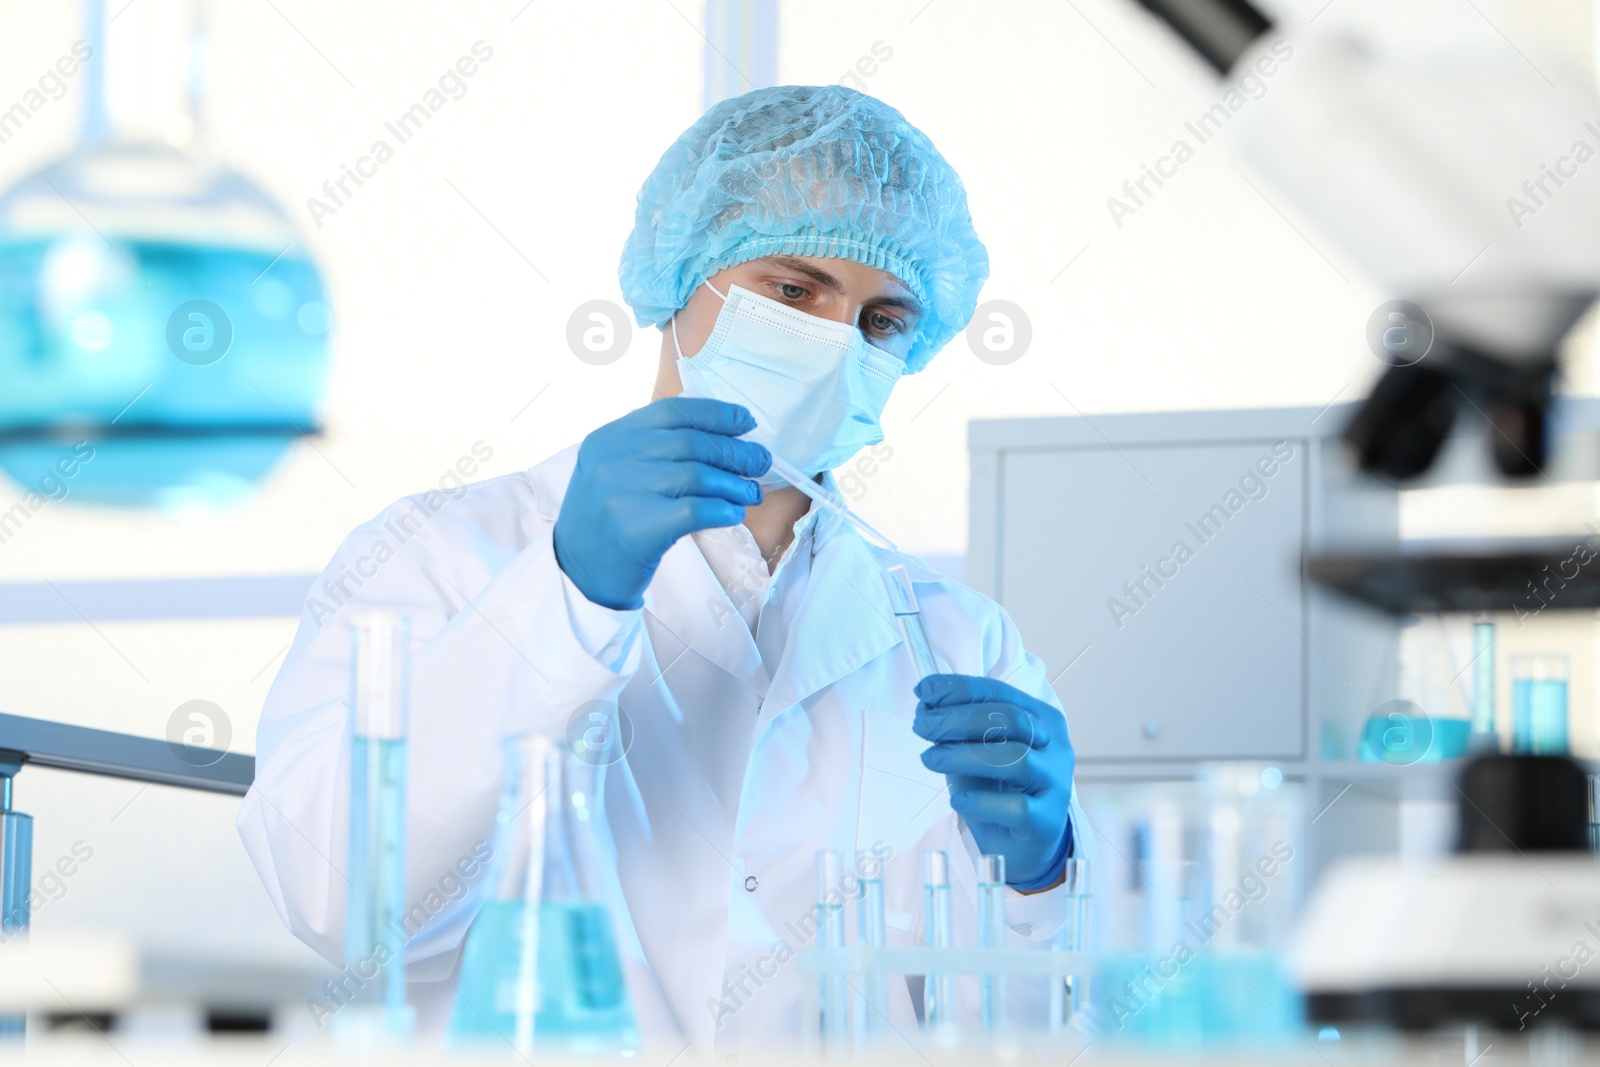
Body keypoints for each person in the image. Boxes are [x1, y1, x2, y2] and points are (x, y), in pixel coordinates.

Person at [238, 84, 1086, 1052]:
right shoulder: (442, 553)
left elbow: (1030, 1028)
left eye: (882, 320)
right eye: (793, 289)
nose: (833, 343)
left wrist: (1043, 876)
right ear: (681, 277)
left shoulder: (959, 638)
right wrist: (567, 595)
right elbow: (337, 904)